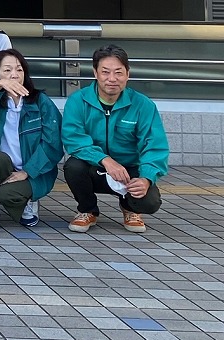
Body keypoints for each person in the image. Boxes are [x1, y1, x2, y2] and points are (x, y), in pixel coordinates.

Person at [62, 44, 169, 235]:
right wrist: (105, 160)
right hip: (95, 167)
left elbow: (154, 146)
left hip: (130, 170)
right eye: (105, 72)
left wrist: (146, 178)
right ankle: (87, 210)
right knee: (73, 166)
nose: (112, 79)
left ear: (128, 74)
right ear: (95, 73)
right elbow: (74, 140)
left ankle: (131, 209)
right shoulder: (78, 100)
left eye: (119, 72)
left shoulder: (142, 104)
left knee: (150, 202)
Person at [0, 48, 63, 230]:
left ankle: (28, 199)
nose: (14, 75)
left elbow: (52, 144)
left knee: (7, 194)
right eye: (7, 70)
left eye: (19, 69)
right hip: (5, 167)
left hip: (34, 172)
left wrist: (27, 171)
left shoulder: (41, 101)